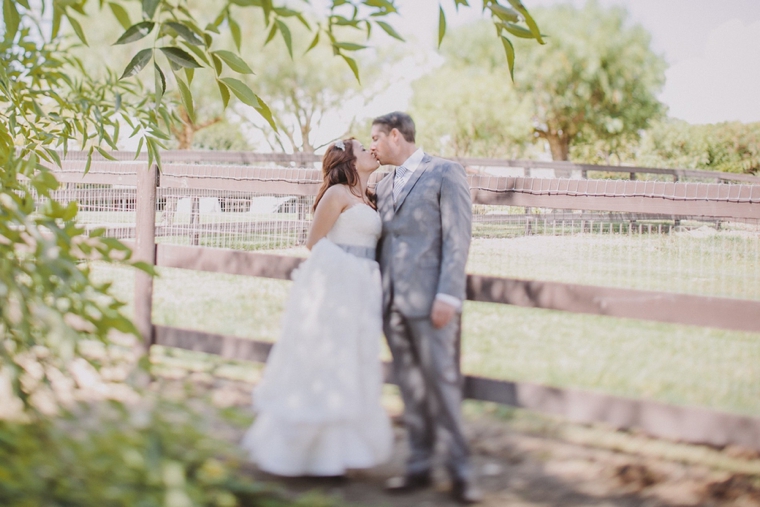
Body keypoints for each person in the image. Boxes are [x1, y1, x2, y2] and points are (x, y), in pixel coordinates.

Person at [241, 139, 393, 477]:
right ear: (350, 161)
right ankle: (311, 455)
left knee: (354, 361)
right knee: (328, 360)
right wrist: (342, 277)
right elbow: (314, 243)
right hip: (338, 286)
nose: (372, 149)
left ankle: (340, 451)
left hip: (364, 287)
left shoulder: (368, 199)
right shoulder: (337, 194)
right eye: (363, 148)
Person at [371, 112, 481, 504]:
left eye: (376, 138)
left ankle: (461, 472)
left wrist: (449, 294)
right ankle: (418, 465)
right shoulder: (382, 184)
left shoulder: (445, 173)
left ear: (396, 136)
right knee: (411, 387)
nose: (373, 146)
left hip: (432, 301)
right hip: (393, 304)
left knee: (442, 385)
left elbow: (457, 237)